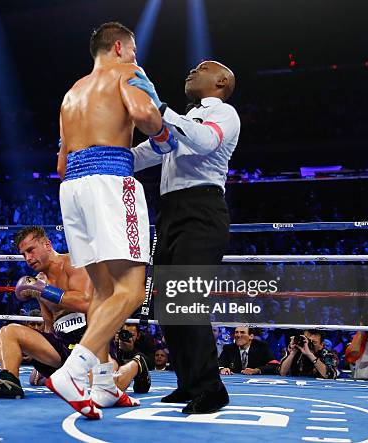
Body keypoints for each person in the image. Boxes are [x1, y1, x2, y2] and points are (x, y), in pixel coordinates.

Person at [47, 21, 166, 420]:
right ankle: (72, 372)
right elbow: (145, 115)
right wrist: (166, 132)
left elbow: (61, 160)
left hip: (72, 187)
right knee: (131, 291)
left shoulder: (71, 93)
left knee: (102, 289)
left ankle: (103, 385)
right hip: (110, 180)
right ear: (119, 47)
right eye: (133, 50)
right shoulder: (129, 72)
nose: (136, 57)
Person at [129, 60, 240, 414]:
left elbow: (206, 142)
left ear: (221, 81)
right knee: (167, 305)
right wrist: (103, 158)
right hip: (170, 213)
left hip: (201, 210)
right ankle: (188, 383)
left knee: (187, 299)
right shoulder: (184, 120)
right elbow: (151, 152)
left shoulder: (224, 114)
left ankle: (211, 388)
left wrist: (161, 109)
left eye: (201, 68)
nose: (191, 70)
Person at [0, 226, 149, 406]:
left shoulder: (74, 263)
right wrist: (41, 358)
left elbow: (86, 302)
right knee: (8, 332)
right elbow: (49, 323)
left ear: (47, 244)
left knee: (101, 387)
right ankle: (9, 381)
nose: (28, 258)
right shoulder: (39, 279)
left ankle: (136, 364)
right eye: (24, 254)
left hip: (93, 340)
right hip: (62, 345)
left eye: (31, 250)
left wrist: (43, 290)